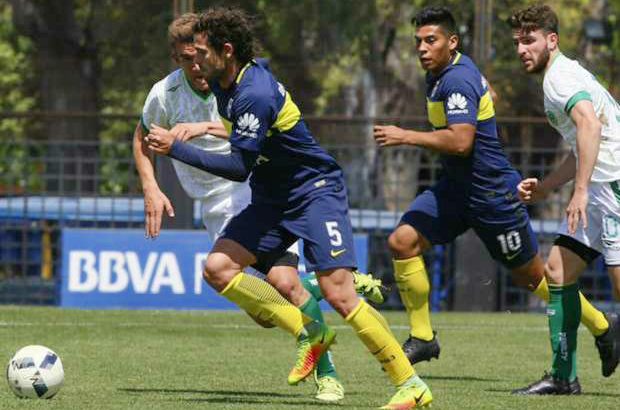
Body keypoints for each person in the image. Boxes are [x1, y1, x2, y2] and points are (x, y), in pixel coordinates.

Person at [145, 7, 433, 409]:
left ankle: (411, 385)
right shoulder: (227, 81)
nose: (196, 61)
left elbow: (237, 166)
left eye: (202, 52)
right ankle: (311, 333)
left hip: (313, 191)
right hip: (273, 198)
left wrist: (177, 147)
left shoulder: (253, 93)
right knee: (218, 269)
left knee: (340, 295)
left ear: (225, 51)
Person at [372, 5, 619, 380]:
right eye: (418, 41)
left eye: (431, 40)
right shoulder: (447, 72)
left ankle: (602, 328)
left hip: (495, 195)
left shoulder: (547, 80)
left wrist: (404, 135)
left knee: (534, 277)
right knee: (402, 242)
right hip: (457, 190)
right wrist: (553, 185)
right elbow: (491, 95)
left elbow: (461, 141)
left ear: (451, 42)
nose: (422, 48)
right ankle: (424, 338)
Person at [509, 4, 620, 394]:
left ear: (551, 40)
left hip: (613, 188)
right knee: (557, 271)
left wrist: (582, 190)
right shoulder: (560, 76)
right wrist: (547, 188)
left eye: (530, 40)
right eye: (518, 42)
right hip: (600, 188)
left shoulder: (559, 78)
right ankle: (562, 376)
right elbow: (582, 146)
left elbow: (589, 124)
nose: (522, 49)